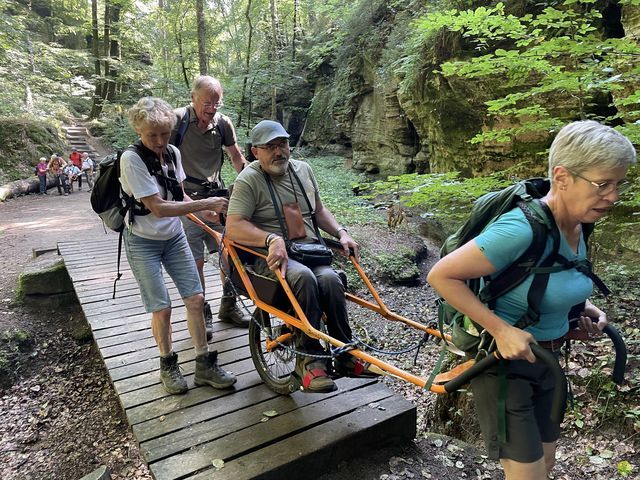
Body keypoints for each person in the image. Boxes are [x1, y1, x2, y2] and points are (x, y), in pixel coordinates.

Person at [427, 120, 636, 480]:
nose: (613, 196)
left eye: (619, 184)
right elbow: (441, 275)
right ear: (562, 176)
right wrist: (502, 330)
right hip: (503, 368)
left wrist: (580, 312)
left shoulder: (578, 223)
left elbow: (548, 278)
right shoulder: (520, 228)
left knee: (547, 463)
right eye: (603, 184)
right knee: (529, 475)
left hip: (548, 363)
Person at [226, 120, 376, 393]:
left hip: (309, 250)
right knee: (304, 278)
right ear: (255, 151)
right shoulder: (249, 179)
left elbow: (318, 210)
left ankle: (344, 352)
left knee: (330, 280)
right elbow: (233, 226)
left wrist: (341, 233)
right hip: (270, 257)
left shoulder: (303, 170)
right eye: (270, 147)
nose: (278, 152)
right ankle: (307, 359)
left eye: (282, 144)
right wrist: (270, 239)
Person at [120, 96, 237, 395]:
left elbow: (180, 196)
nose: (159, 141)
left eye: (164, 134)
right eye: (152, 135)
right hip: (143, 241)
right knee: (162, 308)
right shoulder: (131, 159)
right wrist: (207, 201)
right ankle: (167, 363)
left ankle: (203, 364)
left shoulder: (172, 153)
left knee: (196, 299)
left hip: (173, 237)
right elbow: (157, 207)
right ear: (139, 131)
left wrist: (207, 214)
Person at [172, 75, 251, 336]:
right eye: (207, 102)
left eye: (217, 102)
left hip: (217, 198)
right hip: (187, 202)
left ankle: (228, 305)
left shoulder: (223, 124)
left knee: (230, 254)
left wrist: (253, 182)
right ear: (193, 97)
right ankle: (201, 312)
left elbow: (236, 157)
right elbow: (166, 168)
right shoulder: (177, 122)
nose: (212, 108)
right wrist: (191, 205)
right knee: (196, 262)